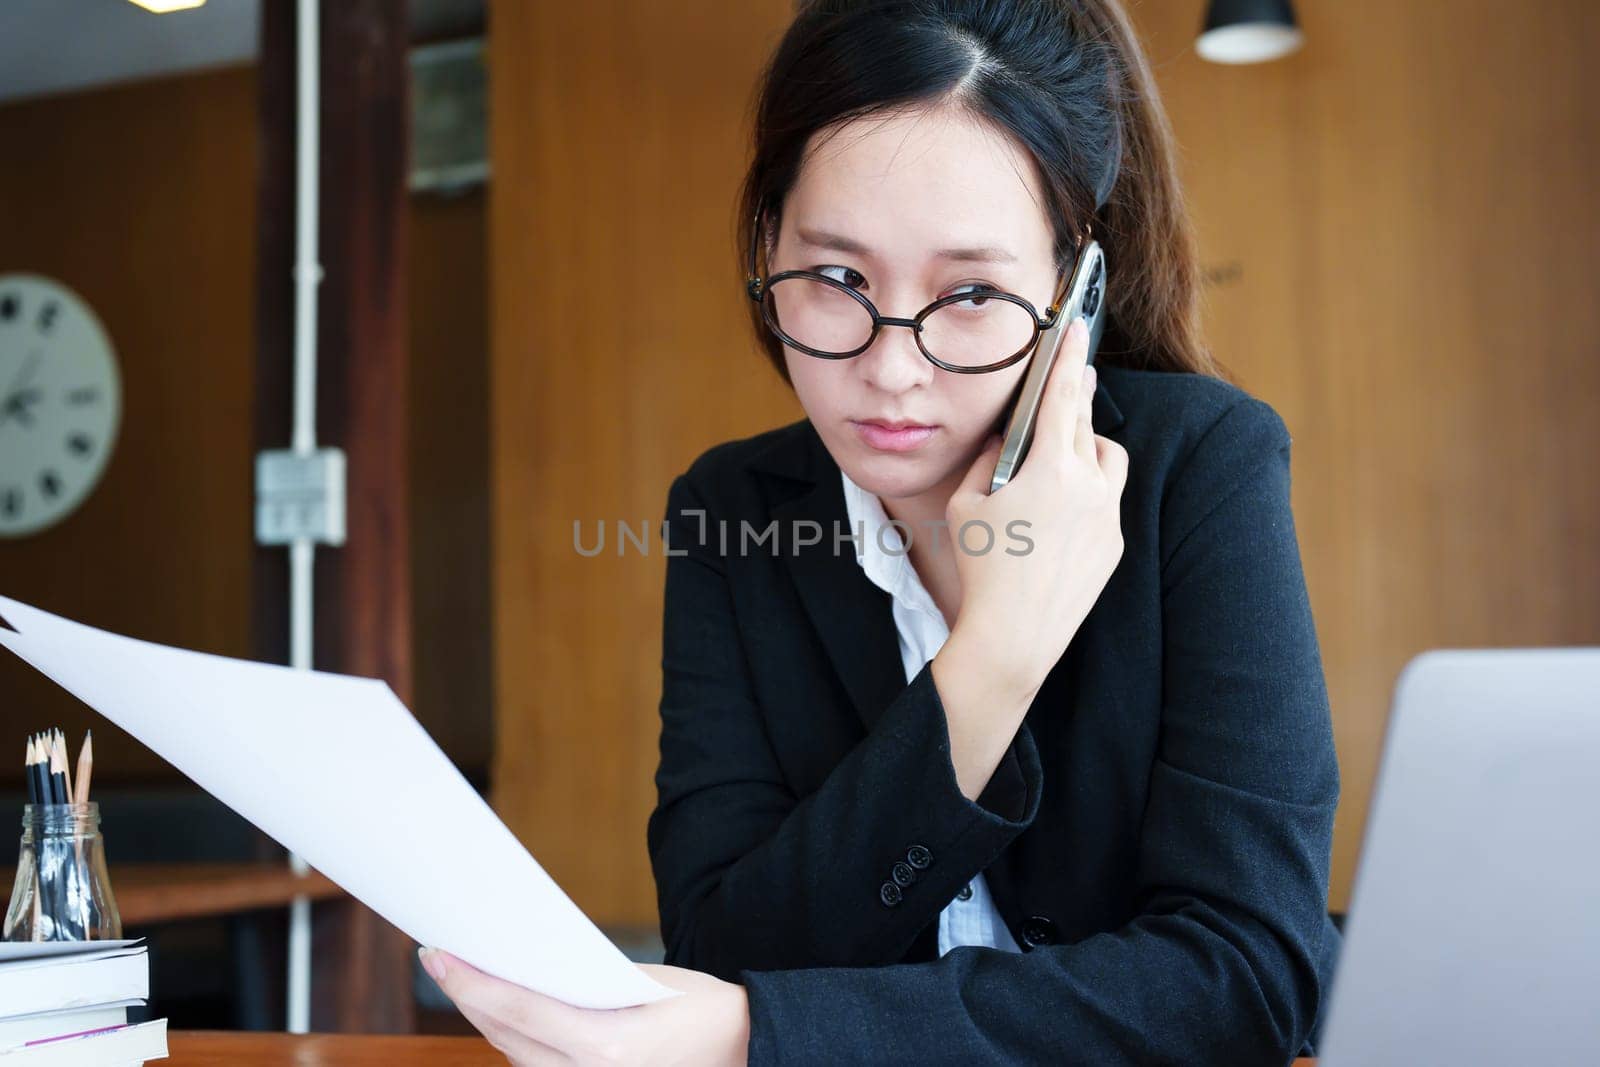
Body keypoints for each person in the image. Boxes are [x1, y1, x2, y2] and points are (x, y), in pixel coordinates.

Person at [422, 0, 1341, 1063]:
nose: (892, 368)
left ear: (1073, 290)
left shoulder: (1201, 468)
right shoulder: (735, 513)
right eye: (837, 278)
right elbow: (726, 942)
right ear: (766, 245)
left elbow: (1248, 975)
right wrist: (986, 667)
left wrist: (762, 1032)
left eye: (970, 293)